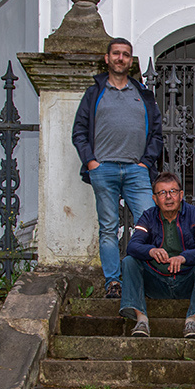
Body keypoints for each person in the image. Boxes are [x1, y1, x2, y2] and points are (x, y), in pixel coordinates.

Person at [72, 38, 163, 299]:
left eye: (126, 54)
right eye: (116, 54)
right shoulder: (95, 92)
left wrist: (145, 163)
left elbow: (156, 134)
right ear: (107, 58)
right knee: (109, 228)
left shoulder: (142, 94)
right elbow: (79, 131)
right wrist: (91, 162)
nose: (121, 58)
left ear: (131, 61)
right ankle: (113, 281)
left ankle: (147, 278)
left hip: (137, 171)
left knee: (150, 224)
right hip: (104, 170)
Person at [121, 171, 195, 338]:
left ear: (181, 195)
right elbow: (133, 246)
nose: (168, 197)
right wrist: (151, 250)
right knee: (129, 261)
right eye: (162, 193)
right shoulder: (148, 217)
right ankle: (141, 319)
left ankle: (192, 321)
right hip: (156, 281)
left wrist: (184, 257)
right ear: (155, 199)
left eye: (172, 191)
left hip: (187, 281)